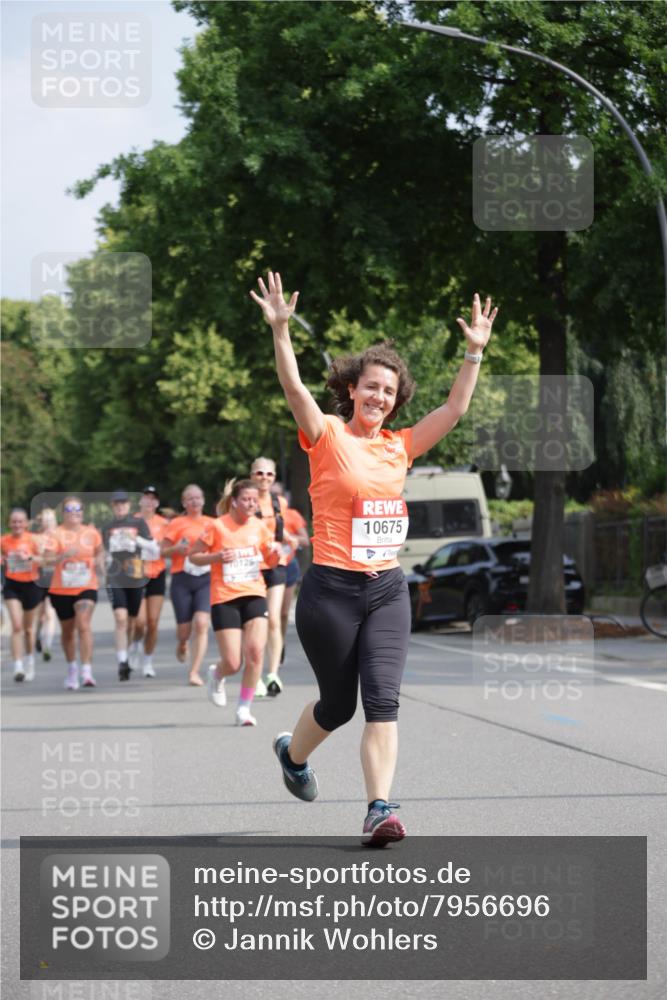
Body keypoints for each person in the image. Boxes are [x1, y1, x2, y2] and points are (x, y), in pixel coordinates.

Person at [251, 270, 497, 846]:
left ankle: (377, 809)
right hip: (330, 593)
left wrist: (473, 352)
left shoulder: (401, 446)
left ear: (395, 399)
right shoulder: (327, 434)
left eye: (388, 391)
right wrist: (281, 331)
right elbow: (293, 391)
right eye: (370, 387)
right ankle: (293, 755)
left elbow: (455, 410)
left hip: (386, 589)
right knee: (338, 705)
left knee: (382, 702)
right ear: (352, 389)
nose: (379, 397)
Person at [189, 479, 281, 726]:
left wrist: (275, 554)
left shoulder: (260, 526)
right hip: (225, 596)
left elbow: (271, 562)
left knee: (255, 653)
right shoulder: (218, 527)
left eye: (254, 499)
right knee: (233, 662)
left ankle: (244, 708)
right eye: (246, 499)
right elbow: (193, 556)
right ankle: (217, 674)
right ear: (234, 501)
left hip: (254, 592)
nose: (251, 503)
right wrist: (217, 556)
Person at [102, 490, 159, 682]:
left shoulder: (138, 523)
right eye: (116, 504)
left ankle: (133, 645)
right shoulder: (107, 527)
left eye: (123, 503)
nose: (120, 506)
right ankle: (122, 662)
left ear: (128, 505)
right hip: (115, 577)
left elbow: (153, 549)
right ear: (112, 506)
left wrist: (136, 540)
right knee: (120, 618)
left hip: (135, 575)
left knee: (136, 622)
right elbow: (103, 552)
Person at [48, 496, 104, 689]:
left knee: (83, 624)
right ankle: (72, 669)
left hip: (86, 586)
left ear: (83, 512)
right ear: (63, 513)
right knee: (68, 632)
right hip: (61, 588)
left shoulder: (92, 532)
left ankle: (86, 671)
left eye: (78, 509)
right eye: (70, 510)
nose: (75, 513)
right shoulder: (55, 534)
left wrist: (100, 561)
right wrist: (63, 555)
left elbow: (100, 551)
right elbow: (47, 560)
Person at [160, 484, 214, 685]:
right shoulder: (176, 523)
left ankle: (194, 672)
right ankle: (183, 643)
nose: (195, 501)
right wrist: (176, 548)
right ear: (184, 503)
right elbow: (162, 551)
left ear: (203, 500)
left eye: (198, 497)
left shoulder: (212, 523)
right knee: (184, 630)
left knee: (201, 623)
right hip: (182, 578)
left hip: (206, 578)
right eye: (190, 498)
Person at [249, 457, 292, 697]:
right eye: (259, 473)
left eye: (269, 474)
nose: (264, 478)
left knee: (274, 618)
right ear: (251, 475)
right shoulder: (245, 502)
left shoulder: (280, 502)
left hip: (276, 563)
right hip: (251, 566)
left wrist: (289, 539)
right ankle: (253, 674)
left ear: (274, 477)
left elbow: (278, 530)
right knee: (257, 621)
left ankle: (273, 673)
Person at [130, 486, 169, 678]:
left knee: (153, 622)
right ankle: (136, 643)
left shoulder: (163, 523)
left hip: (156, 573)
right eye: (146, 498)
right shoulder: (131, 522)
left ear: (157, 503)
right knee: (139, 622)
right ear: (140, 501)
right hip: (136, 573)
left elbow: (163, 548)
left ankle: (147, 660)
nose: (149, 502)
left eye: (153, 499)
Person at [270, 483, 310, 670]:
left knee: (283, 613)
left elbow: (305, 540)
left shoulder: (291, 515)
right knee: (270, 614)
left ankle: (281, 641)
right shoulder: (259, 515)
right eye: (272, 494)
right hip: (267, 566)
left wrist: (291, 538)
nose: (275, 498)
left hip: (288, 565)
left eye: (278, 494)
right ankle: (271, 645)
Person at [1, 508, 44, 681]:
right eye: (14, 521)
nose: (17, 524)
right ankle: (17, 666)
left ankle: (29, 661)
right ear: (9, 523)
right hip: (12, 585)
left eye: (20, 521)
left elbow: (45, 560)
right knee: (17, 625)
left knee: (27, 629)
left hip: (32, 585)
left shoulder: (33, 539)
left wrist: (30, 558)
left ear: (26, 523)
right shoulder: (4, 540)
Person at [34, 508, 58, 663]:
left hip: (55, 579)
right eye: (45, 519)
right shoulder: (35, 538)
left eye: (51, 519)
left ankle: (47, 645)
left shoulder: (61, 537)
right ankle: (36, 635)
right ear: (40, 522)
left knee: (50, 613)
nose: (48, 522)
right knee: (39, 616)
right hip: (38, 578)